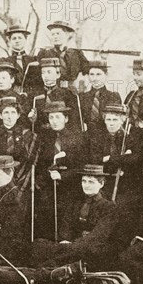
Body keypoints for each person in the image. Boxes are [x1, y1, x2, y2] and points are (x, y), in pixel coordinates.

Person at [30, 165, 117, 271]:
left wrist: (75, 245)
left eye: (91, 182)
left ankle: (52, 266)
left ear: (101, 184)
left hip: (90, 247)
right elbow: (66, 224)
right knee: (38, 244)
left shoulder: (108, 207)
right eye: (84, 181)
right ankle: (57, 266)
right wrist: (65, 240)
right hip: (70, 246)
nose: (86, 185)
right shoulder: (76, 202)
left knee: (86, 250)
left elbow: (99, 235)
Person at [34, 101, 88, 240]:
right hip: (49, 186)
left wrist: (62, 176)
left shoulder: (77, 138)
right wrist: (47, 175)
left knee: (67, 219)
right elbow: (39, 164)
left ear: (66, 118)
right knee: (46, 216)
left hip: (70, 187)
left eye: (58, 117)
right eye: (51, 117)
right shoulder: (45, 138)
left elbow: (82, 166)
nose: (54, 121)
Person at [88, 104, 143, 205]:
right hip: (103, 182)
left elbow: (135, 159)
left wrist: (109, 159)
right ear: (104, 120)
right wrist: (123, 157)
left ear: (122, 121)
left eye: (115, 120)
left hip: (124, 183)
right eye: (108, 120)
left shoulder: (129, 139)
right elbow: (96, 160)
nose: (111, 123)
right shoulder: (98, 139)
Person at [0, 96, 38, 189]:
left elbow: (29, 161)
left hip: (20, 181)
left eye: (13, 112)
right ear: (0, 115)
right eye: (6, 112)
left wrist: (15, 180)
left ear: (18, 115)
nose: (9, 117)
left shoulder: (28, 135)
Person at [28, 58, 80, 134]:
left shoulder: (67, 94)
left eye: (49, 72)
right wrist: (32, 119)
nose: (45, 76)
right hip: (40, 135)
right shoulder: (34, 96)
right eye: (43, 73)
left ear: (58, 74)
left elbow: (73, 119)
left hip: (61, 134)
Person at [37, 21, 89, 89]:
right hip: (52, 91)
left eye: (58, 33)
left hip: (72, 91)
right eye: (53, 34)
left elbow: (88, 70)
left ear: (67, 35)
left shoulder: (77, 53)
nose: (55, 36)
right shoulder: (44, 53)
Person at [78, 60, 121, 132]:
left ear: (106, 74)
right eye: (91, 74)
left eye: (98, 74)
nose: (94, 78)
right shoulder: (81, 97)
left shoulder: (113, 96)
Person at [1, 23, 37, 89]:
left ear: (25, 39)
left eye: (20, 38)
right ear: (9, 41)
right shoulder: (5, 61)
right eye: (14, 38)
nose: (17, 41)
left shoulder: (33, 60)